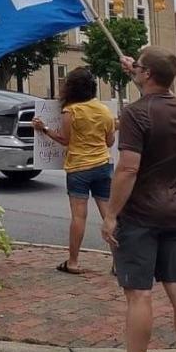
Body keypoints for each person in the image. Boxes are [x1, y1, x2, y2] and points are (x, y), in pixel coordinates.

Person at [91, 47, 176, 352]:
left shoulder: (135, 115)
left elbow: (129, 168)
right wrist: (137, 71)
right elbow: (157, 107)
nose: (133, 67)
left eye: (138, 65)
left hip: (141, 215)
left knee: (139, 294)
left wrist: (111, 215)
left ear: (147, 74)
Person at [33, 67, 115, 274]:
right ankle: (120, 262)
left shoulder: (71, 111)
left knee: (79, 217)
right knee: (109, 215)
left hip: (78, 168)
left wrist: (44, 129)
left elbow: (65, 140)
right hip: (103, 166)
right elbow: (109, 141)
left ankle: (73, 262)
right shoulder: (105, 110)